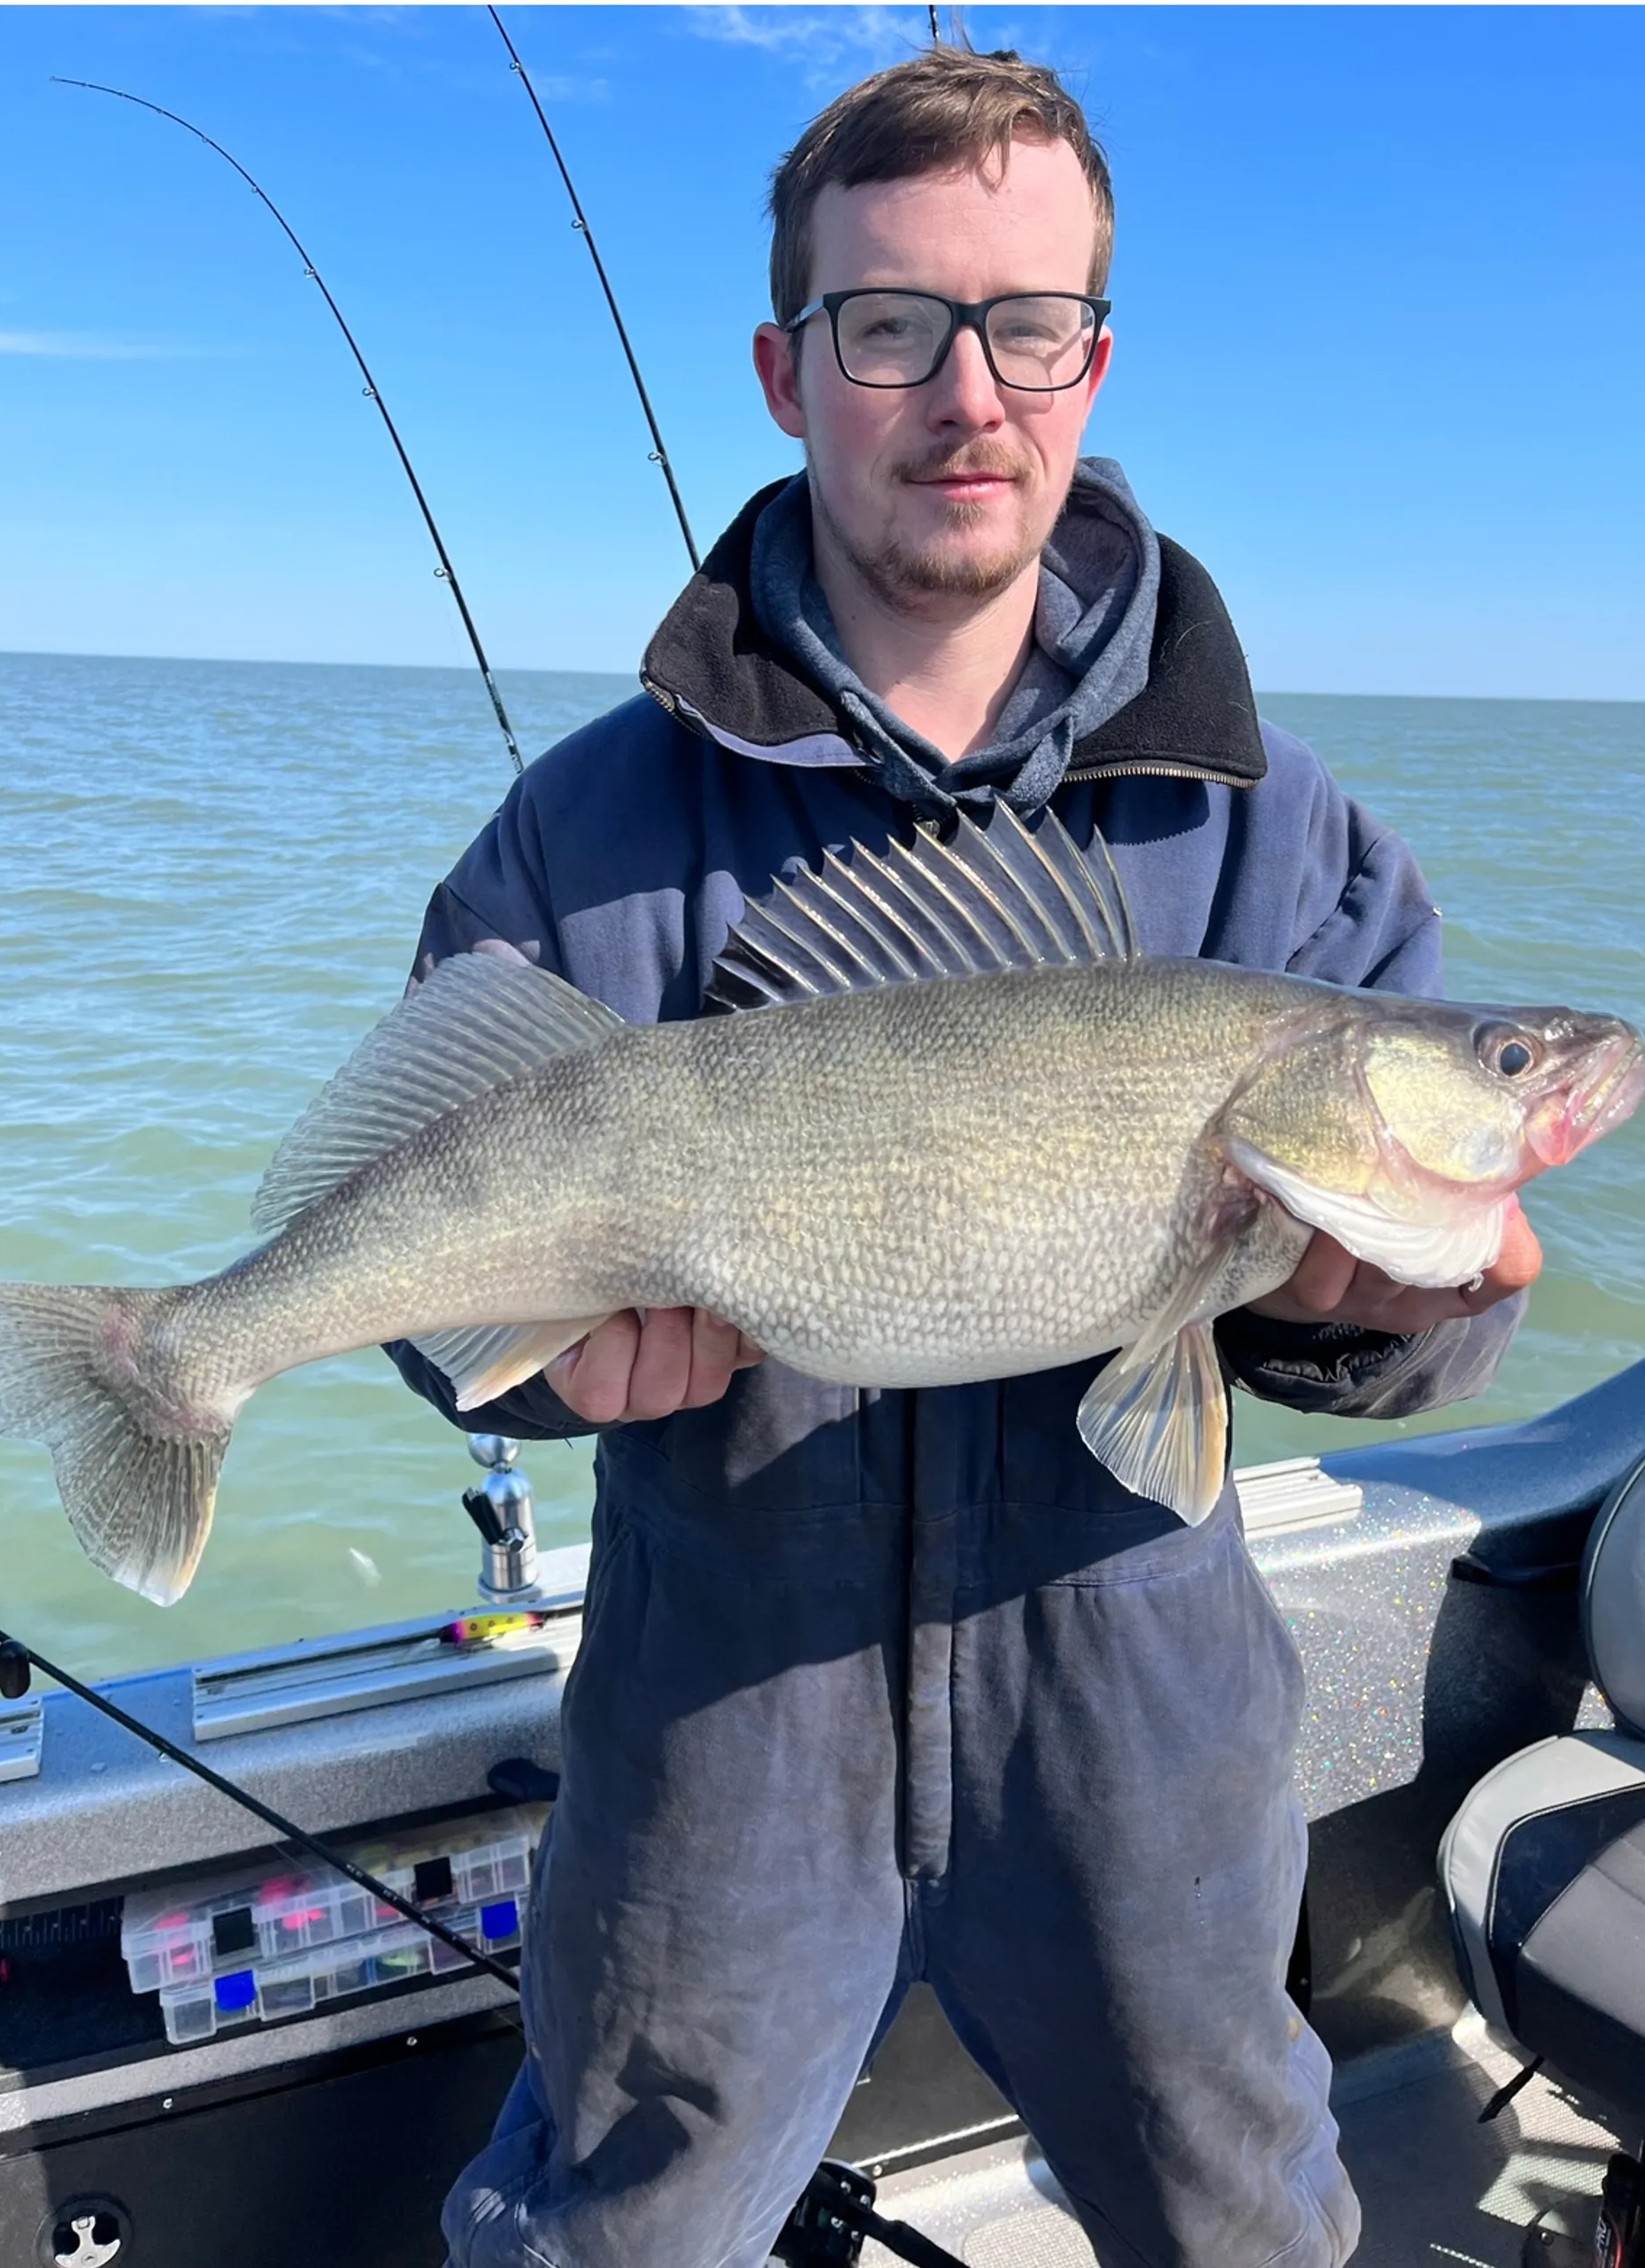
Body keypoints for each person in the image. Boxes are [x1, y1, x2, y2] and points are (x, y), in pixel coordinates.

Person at [390, 45, 1538, 2268]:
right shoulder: (590, 828)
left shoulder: (1277, 835)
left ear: (1092, 361)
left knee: (1242, 2222)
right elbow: (440, 1256)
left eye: (1028, 326)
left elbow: (1413, 1337)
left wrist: (1373, 1326)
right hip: (713, 1736)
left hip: (1148, 1735)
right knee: (604, 2239)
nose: (965, 392)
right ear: (785, 368)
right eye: (890, 324)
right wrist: (503, 1360)